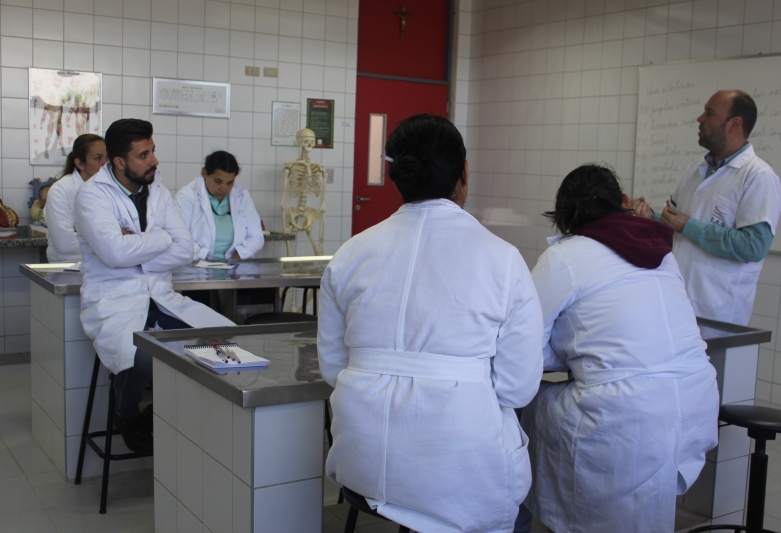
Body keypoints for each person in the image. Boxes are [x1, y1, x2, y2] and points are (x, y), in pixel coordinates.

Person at [318, 114, 544, 533]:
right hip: (457, 466)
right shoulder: (503, 260)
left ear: (398, 177)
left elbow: (334, 368)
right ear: (464, 174)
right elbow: (517, 387)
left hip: (363, 458)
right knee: (513, 514)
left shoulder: (349, 255)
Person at [514, 165, 719, 533]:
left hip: (625, 413)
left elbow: (524, 344)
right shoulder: (664, 253)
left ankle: (516, 518)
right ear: (624, 201)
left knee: (518, 409)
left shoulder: (566, 255)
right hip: (695, 402)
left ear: (564, 219)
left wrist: (574, 351)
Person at [74, 119, 234, 454]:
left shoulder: (158, 192)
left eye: (153, 151)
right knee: (140, 358)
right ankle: (127, 415)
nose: (154, 160)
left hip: (161, 296)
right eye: (144, 154)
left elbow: (184, 249)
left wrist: (136, 246)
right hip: (115, 299)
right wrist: (161, 239)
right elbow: (114, 253)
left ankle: (168, 415)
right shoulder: (92, 195)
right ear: (120, 161)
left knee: (224, 339)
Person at [633, 90, 781, 325]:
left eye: (710, 113)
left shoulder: (758, 176)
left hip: (717, 313)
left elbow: (753, 247)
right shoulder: (695, 169)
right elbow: (676, 224)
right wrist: (652, 216)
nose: (700, 119)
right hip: (676, 302)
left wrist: (689, 226)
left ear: (735, 124)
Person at [175, 150, 264, 261]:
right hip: (197, 264)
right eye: (218, 181)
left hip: (235, 266)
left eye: (230, 183)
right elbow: (180, 238)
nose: (223, 188)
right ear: (205, 174)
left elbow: (256, 235)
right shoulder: (187, 196)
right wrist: (207, 259)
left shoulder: (241, 195)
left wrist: (236, 258)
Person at [44, 134, 108, 262]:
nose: (104, 164)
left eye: (107, 158)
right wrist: (111, 240)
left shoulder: (110, 189)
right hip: (69, 267)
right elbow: (65, 243)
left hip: (105, 265)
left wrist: (83, 234)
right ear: (80, 163)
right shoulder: (60, 190)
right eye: (97, 158)